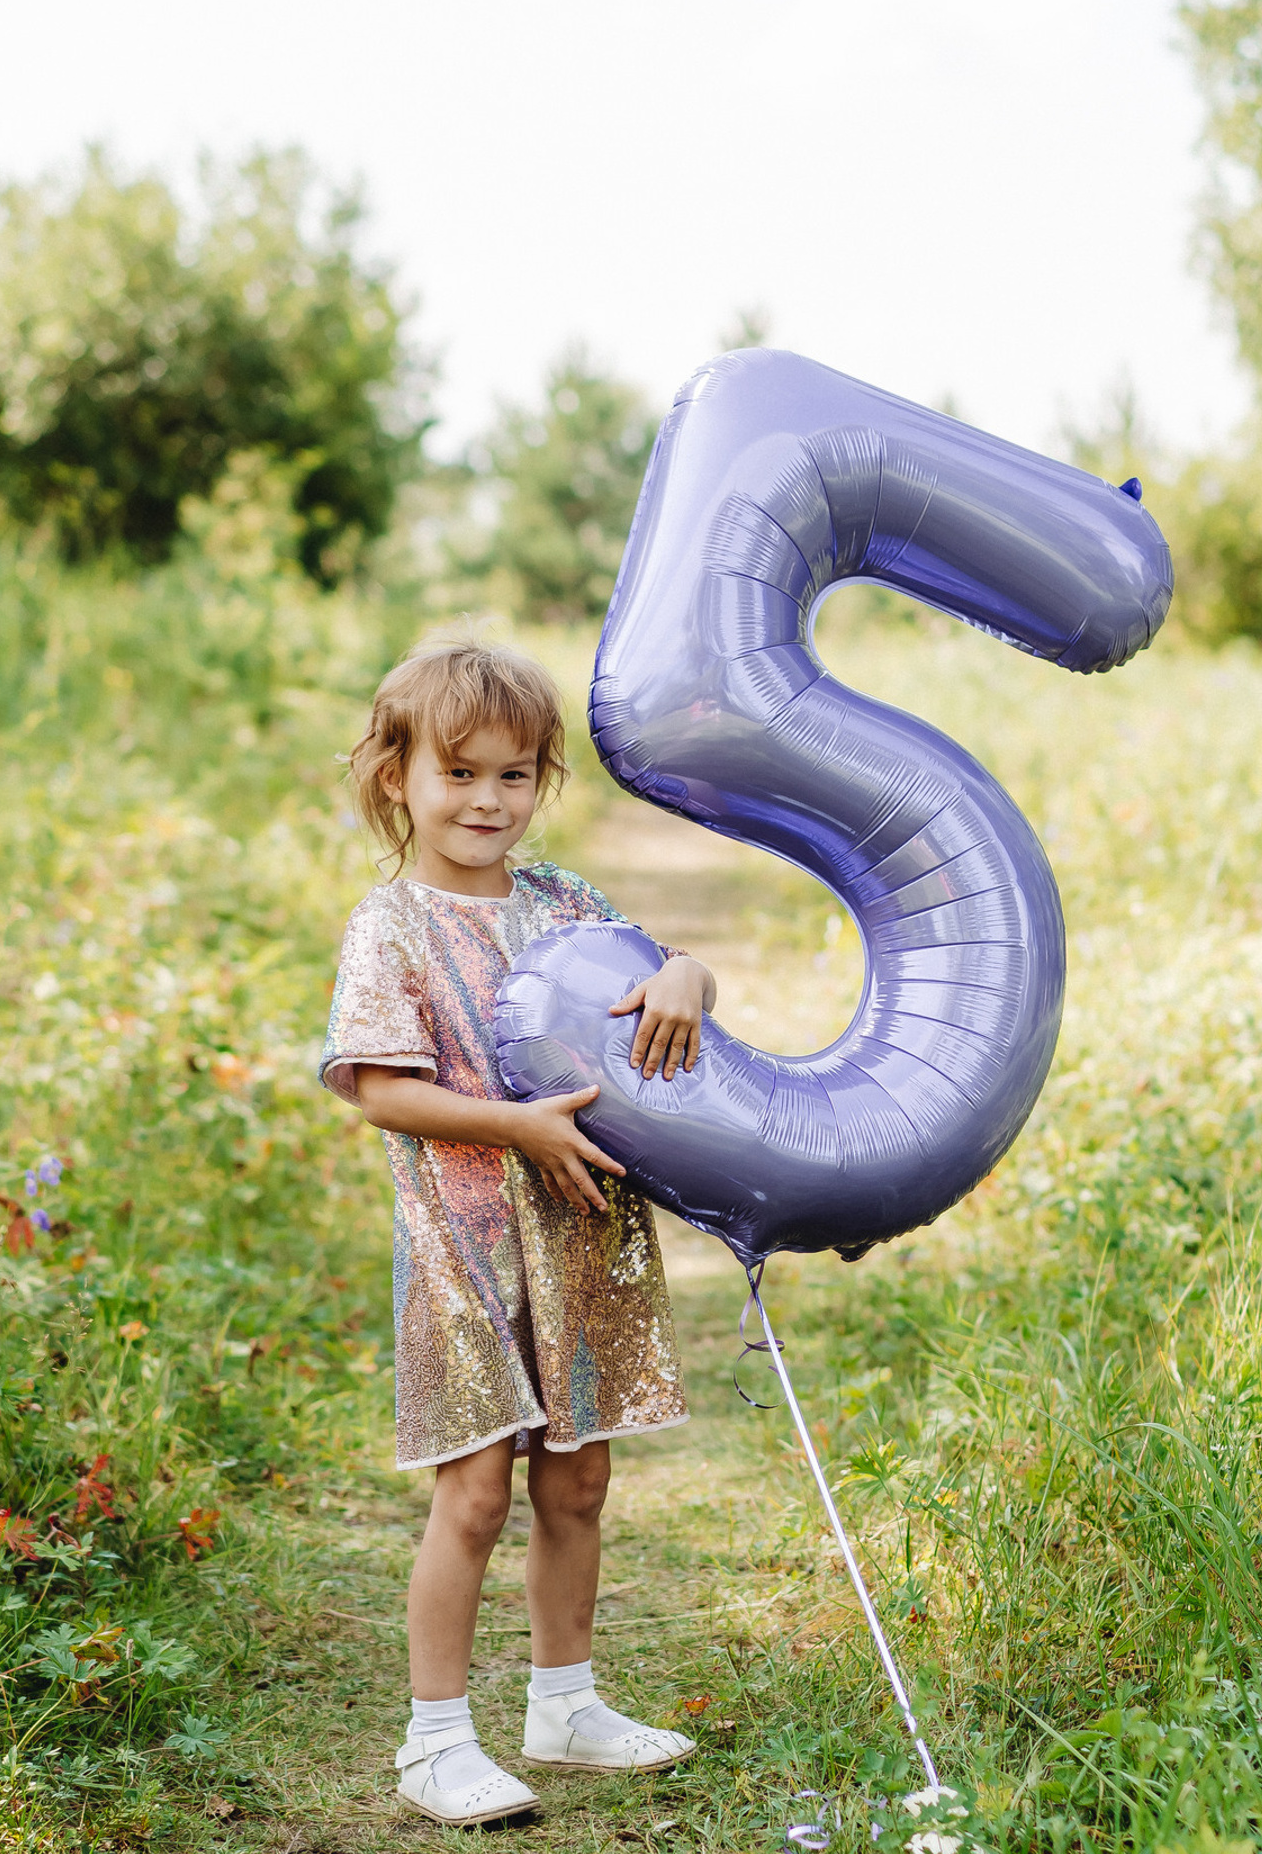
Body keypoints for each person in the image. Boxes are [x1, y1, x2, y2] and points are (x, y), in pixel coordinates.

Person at [319, 636, 712, 1826]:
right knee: (478, 1491)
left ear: (543, 780)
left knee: (579, 1480)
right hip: (469, 1252)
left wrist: (689, 975)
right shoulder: (390, 925)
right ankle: (435, 1740)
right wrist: (515, 1128)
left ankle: (566, 1705)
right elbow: (379, 1089)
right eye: (460, 773)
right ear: (397, 776)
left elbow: (657, 978)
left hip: (583, 1235)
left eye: (515, 774)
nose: (488, 800)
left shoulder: (566, 904)